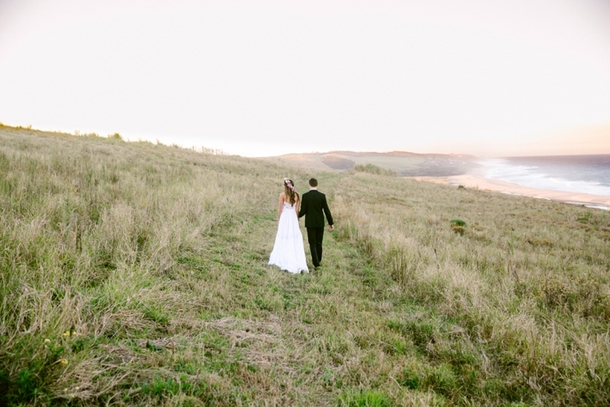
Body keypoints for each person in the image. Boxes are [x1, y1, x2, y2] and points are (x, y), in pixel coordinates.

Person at [268, 178, 309, 274]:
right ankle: (294, 254)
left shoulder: (282, 195)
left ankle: (283, 255)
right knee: (293, 236)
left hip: (285, 217)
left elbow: (280, 209)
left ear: (285, 186)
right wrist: (297, 220)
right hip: (293, 218)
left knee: (284, 235)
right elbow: (296, 210)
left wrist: (279, 219)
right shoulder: (297, 196)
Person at [298, 178, 334, 269]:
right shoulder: (322, 196)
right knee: (319, 242)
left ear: (309, 184)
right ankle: (319, 260)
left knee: (312, 243)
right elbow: (327, 210)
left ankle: (316, 263)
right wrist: (331, 223)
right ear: (317, 185)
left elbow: (303, 211)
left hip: (310, 223)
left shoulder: (305, 196)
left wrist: (296, 215)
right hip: (319, 222)